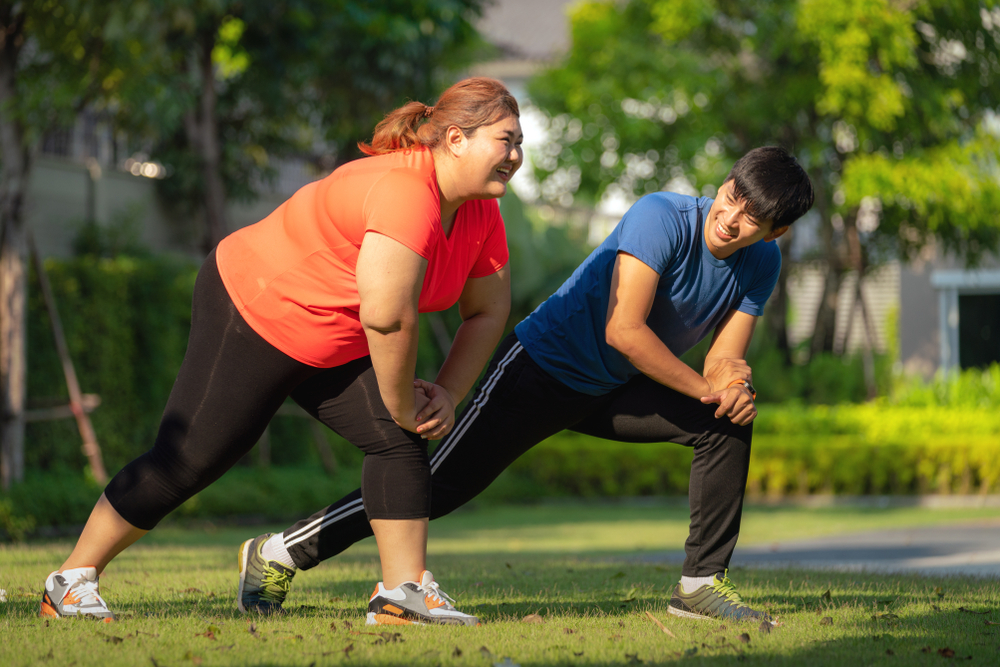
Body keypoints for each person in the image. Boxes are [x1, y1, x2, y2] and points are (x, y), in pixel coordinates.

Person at [237, 146, 814, 624]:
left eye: (752, 218)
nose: (731, 217)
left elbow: (725, 358)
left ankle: (700, 586)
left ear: (777, 231)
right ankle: (277, 553)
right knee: (434, 489)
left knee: (725, 424)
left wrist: (734, 385)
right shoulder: (661, 217)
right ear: (726, 181)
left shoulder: (761, 264)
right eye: (733, 196)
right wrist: (711, 388)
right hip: (541, 369)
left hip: (614, 389)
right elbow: (624, 330)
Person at [39, 77, 523, 627]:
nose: (516, 155)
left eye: (519, 143)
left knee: (400, 438)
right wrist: (400, 399)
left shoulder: (481, 214)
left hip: (334, 335)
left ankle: (402, 594)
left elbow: (486, 310)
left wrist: (447, 393)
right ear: (456, 138)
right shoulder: (406, 190)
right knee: (189, 461)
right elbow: (387, 316)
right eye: (505, 140)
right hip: (255, 306)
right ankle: (69, 582)